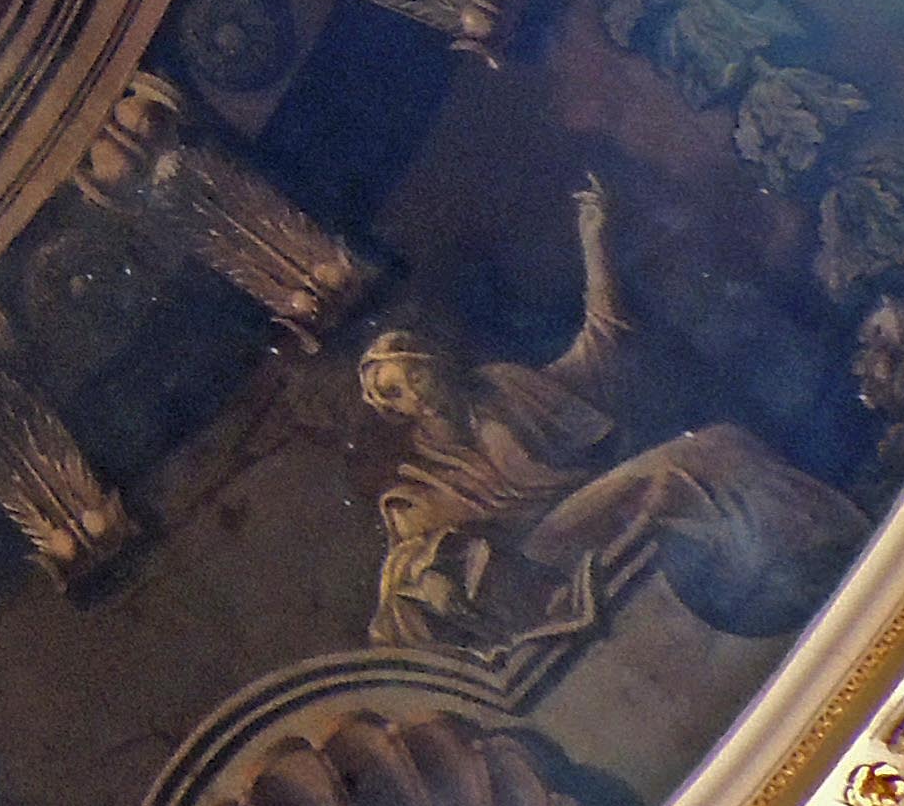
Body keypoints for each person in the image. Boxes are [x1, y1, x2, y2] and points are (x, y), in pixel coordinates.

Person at [358, 177, 867, 648]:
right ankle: (823, 557)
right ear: (392, 411)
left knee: (723, 442)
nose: (414, 394)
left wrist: (593, 241)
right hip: (539, 562)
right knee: (698, 458)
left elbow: (601, 344)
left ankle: (821, 555)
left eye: (415, 375)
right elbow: (408, 572)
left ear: (436, 364)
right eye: (394, 393)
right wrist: (430, 574)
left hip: (586, 517)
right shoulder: (421, 487)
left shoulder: (505, 390)